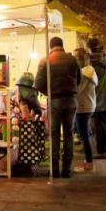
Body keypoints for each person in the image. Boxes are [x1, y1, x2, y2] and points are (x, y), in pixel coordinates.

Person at [36, 37, 80, 178]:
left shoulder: (46, 61)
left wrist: (48, 92)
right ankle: (67, 169)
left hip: (55, 100)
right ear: (62, 45)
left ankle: (54, 169)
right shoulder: (73, 60)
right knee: (69, 133)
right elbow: (79, 79)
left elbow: (38, 83)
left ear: (51, 47)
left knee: (54, 134)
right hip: (71, 100)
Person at [73, 47, 98, 172]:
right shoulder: (90, 71)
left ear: (80, 59)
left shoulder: (84, 73)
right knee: (87, 134)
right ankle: (89, 160)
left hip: (83, 106)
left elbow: (77, 90)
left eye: (75, 57)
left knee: (84, 136)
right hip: (88, 105)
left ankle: (89, 163)